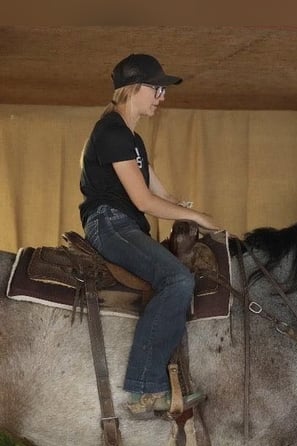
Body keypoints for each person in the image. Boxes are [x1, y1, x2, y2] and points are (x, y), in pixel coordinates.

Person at [79, 53, 220, 418]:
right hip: (110, 224)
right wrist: (198, 215)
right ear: (135, 89)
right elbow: (143, 200)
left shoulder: (131, 138)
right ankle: (144, 390)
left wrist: (186, 209)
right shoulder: (111, 132)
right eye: (157, 88)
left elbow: (160, 195)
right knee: (176, 280)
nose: (162, 96)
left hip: (123, 223)